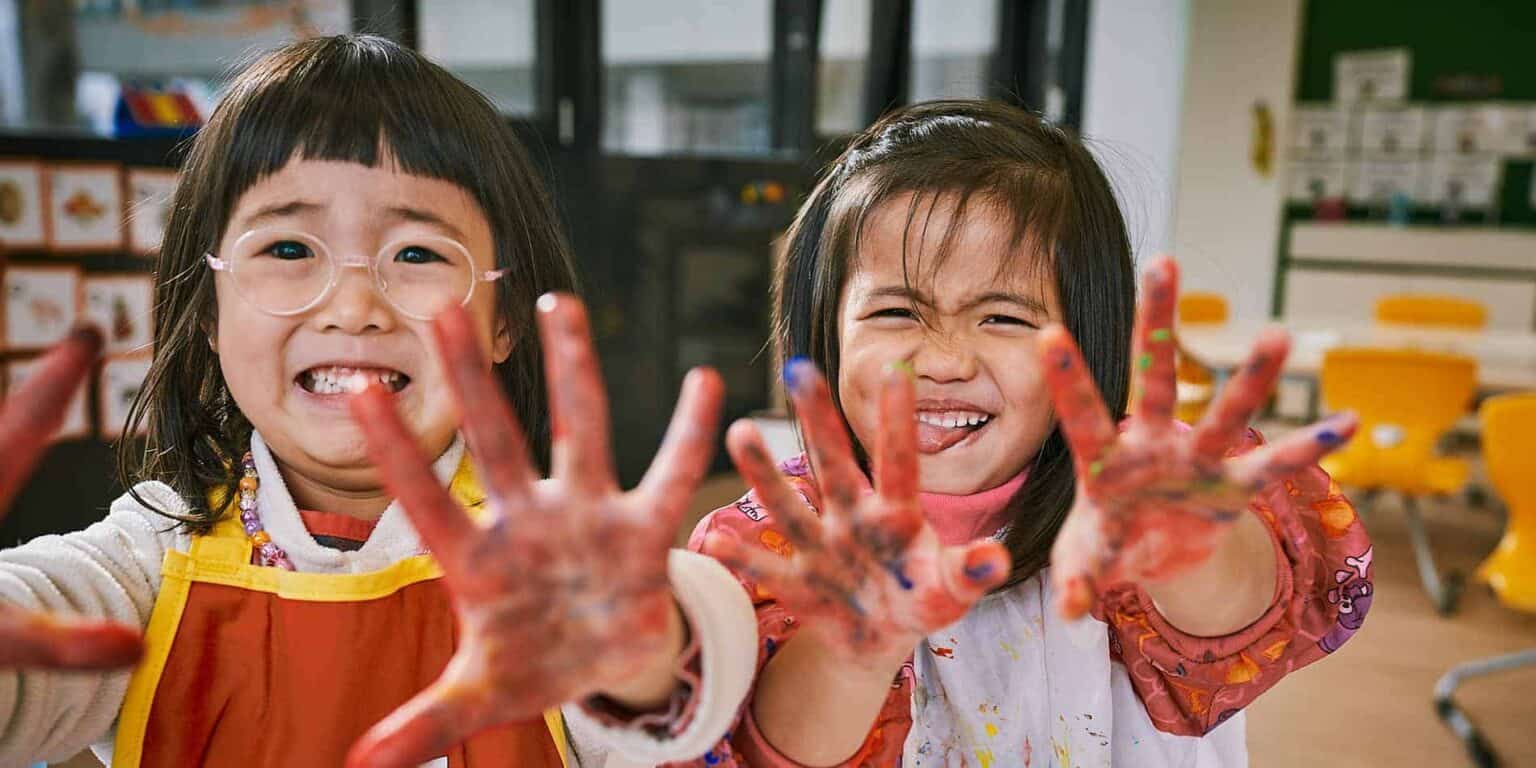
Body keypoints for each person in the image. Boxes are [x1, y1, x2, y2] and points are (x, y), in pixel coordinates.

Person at [0, 35, 758, 768]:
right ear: (208, 311)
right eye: (289, 249)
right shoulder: (147, 559)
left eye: (419, 253)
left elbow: (706, 663)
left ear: (504, 320)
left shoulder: (546, 565)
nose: (355, 304)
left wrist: (644, 644)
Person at [686, 100, 1373, 766]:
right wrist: (853, 650)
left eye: (1005, 318)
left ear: (1087, 337)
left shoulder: (1133, 496)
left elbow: (1241, 621)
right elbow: (758, 749)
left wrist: (1192, 551)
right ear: (825, 334)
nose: (947, 361)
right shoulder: (777, 545)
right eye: (896, 310)